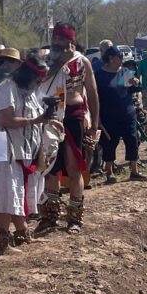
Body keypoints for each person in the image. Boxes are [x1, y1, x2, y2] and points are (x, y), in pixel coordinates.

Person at [0, 53, 55, 253]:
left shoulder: (30, 91)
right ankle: (2, 239)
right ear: (28, 74)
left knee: (17, 193)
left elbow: (33, 115)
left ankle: (22, 232)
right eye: (38, 78)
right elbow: (6, 119)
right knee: (7, 194)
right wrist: (36, 121)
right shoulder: (8, 87)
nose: (40, 82)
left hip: (23, 151)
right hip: (6, 150)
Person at [35, 22, 99, 234]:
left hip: (74, 116)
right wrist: (56, 64)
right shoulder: (44, 59)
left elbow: (92, 92)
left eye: (61, 39)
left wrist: (94, 125)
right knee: (50, 166)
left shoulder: (82, 61)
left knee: (73, 166)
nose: (57, 42)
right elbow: (35, 83)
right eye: (55, 38)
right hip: (50, 115)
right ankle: (49, 217)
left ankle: (74, 217)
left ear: (70, 41)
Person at [94, 46, 146, 183]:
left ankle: (134, 171)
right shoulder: (100, 75)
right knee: (110, 143)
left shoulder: (125, 72)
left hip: (127, 114)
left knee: (132, 140)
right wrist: (97, 116)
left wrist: (136, 82)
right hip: (109, 116)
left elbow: (135, 88)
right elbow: (95, 97)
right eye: (120, 57)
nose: (122, 60)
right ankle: (109, 172)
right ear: (111, 58)